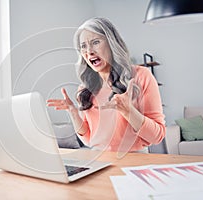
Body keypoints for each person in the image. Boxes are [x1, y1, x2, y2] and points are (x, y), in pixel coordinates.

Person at [47, 17, 165, 153]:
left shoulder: (141, 76)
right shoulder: (85, 88)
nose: (89, 51)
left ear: (111, 43)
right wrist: (73, 112)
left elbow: (157, 137)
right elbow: (88, 139)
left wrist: (128, 111)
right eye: (83, 46)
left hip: (135, 159)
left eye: (95, 42)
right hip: (98, 160)